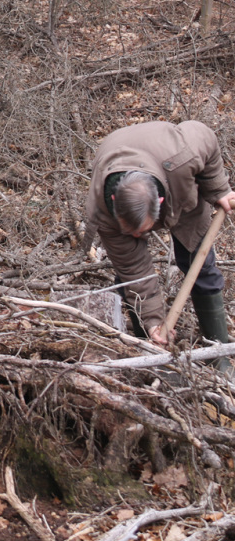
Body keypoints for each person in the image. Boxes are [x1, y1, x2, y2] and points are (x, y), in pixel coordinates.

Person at [85, 121, 235, 367]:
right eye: (129, 231)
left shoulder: (183, 154)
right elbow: (136, 273)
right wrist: (153, 321)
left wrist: (218, 188)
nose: (136, 237)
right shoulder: (104, 212)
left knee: (201, 268)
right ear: (113, 200)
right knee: (129, 279)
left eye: (142, 230)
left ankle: (218, 358)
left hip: (178, 186)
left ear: (161, 202)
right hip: (130, 166)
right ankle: (148, 347)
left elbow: (206, 135)